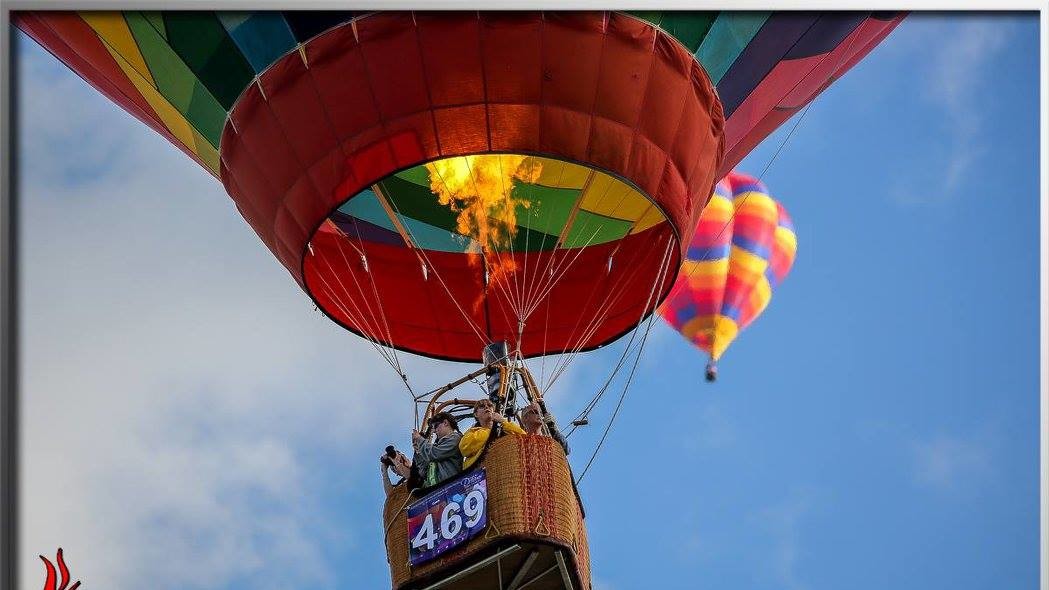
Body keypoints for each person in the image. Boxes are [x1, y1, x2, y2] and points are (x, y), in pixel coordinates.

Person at [459, 399, 524, 470]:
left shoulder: (506, 429)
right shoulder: (472, 432)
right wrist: (493, 430)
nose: (487, 407)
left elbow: (525, 439)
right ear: (476, 414)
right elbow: (465, 448)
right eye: (482, 406)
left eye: (490, 406)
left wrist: (503, 422)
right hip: (480, 475)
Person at [411, 411, 463, 488]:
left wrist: (419, 439)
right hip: (438, 493)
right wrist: (418, 451)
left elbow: (435, 454)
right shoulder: (438, 446)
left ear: (445, 423)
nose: (434, 431)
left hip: (452, 488)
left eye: (436, 426)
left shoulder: (455, 438)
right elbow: (424, 472)